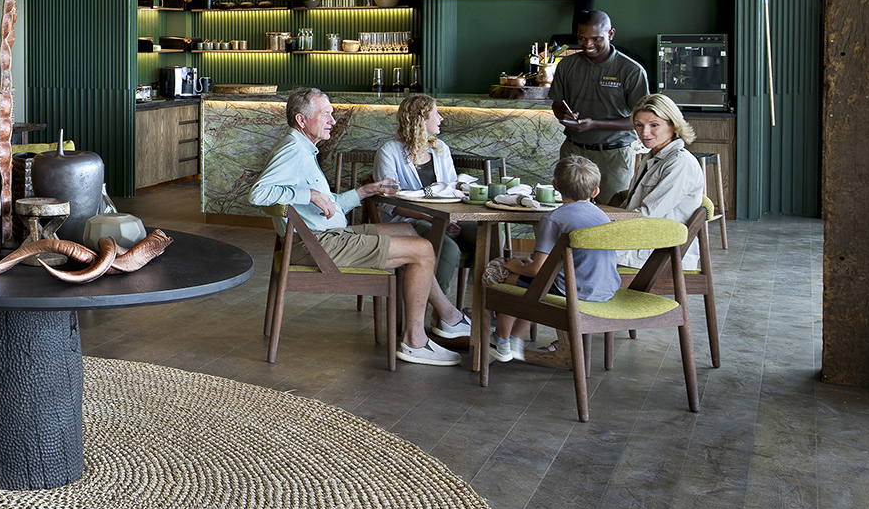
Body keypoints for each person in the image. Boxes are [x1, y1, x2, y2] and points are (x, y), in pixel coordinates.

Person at [252, 86, 471, 365]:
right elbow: (259, 194)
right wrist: (311, 194)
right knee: (423, 250)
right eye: (326, 114)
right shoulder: (293, 150)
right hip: (318, 246)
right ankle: (417, 339)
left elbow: (329, 206)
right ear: (301, 120)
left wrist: (365, 191)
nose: (333, 120)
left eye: (332, 113)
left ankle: (448, 318)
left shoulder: (303, 149)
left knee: (408, 231)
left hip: (323, 237)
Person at [484, 155, 616, 365]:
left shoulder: (554, 218)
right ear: (595, 191)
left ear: (554, 186)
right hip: (604, 288)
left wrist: (517, 265)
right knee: (535, 285)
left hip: (572, 291)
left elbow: (537, 270)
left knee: (503, 274)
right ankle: (516, 337)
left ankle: (500, 340)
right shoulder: (602, 217)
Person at [374, 93, 477, 323]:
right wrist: (433, 219)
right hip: (409, 221)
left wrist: (451, 219)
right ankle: (439, 316)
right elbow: (390, 203)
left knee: (488, 235)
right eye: (436, 113)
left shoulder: (440, 148)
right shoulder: (389, 152)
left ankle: (489, 307)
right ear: (421, 120)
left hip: (446, 217)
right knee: (446, 247)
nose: (441, 118)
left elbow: (451, 190)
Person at [550, 11, 650, 201]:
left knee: (612, 213)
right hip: (574, 152)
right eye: (582, 38)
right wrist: (565, 116)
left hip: (614, 155)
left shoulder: (631, 70)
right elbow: (557, 104)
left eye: (596, 38)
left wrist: (595, 124)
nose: (588, 45)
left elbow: (640, 120)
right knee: (571, 211)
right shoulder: (566, 65)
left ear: (611, 34)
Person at [613, 93, 707, 274]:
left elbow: (648, 215)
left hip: (658, 253)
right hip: (642, 242)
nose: (644, 132)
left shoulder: (680, 163)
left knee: (573, 252)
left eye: (654, 125)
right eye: (639, 125)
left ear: (673, 124)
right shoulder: (653, 157)